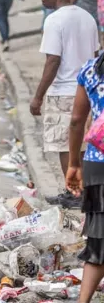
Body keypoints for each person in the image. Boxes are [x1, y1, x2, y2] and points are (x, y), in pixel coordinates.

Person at [30, 0, 99, 209]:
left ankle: (74, 192)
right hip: (87, 90)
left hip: (64, 90)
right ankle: (84, 191)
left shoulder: (54, 21)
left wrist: (38, 96)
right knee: (83, 145)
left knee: (64, 144)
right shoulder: (88, 18)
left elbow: (52, 61)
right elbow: (96, 55)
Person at [66, 52, 104, 303]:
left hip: (96, 162)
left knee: (99, 236)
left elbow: (77, 120)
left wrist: (73, 163)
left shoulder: (91, 70)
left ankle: (83, 301)